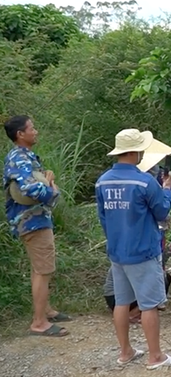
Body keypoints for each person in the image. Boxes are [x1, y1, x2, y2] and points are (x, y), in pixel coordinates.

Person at [96, 128, 171, 369]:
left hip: (117, 251)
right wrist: (167, 189)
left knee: (122, 302)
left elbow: (103, 217)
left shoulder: (102, 181)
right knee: (149, 304)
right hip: (143, 251)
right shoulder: (143, 181)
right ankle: (156, 356)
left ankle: (125, 352)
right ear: (135, 152)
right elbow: (162, 211)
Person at [3, 115, 69, 337]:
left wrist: (46, 179)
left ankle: (46, 310)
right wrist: (52, 188)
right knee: (43, 269)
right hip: (32, 220)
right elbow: (31, 190)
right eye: (32, 128)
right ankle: (39, 322)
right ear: (20, 134)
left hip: (36, 219)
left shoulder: (25, 156)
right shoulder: (19, 158)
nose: (36, 131)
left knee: (39, 268)